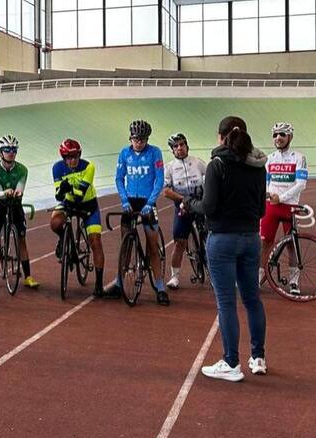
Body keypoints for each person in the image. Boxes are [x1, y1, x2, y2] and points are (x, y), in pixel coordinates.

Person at [183, 116, 268, 382]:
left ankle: (231, 362)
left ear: (221, 137)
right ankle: (258, 357)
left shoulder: (217, 165)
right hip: (251, 237)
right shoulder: (258, 167)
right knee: (252, 299)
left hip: (222, 239)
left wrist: (188, 203)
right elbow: (262, 209)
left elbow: (207, 206)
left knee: (226, 302)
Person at [106, 119, 169, 306]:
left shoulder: (154, 152)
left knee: (152, 245)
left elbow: (159, 180)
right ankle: (119, 283)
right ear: (130, 138)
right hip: (130, 202)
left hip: (147, 201)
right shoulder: (124, 153)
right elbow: (119, 178)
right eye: (135, 139)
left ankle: (160, 287)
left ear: (147, 139)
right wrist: (124, 200)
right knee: (125, 245)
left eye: (142, 139)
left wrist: (151, 202)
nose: (138, 142)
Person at [0, 135, 39, 289]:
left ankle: (28, 276)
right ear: (0, 152)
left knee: (22, 239)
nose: (11, 153)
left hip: (15, 204)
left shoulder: (22, 169)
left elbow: (20, 188)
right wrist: (6, 192)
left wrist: (17, 192)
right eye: (7, 150)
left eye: (14, 150)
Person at [50, 138, 106, 297]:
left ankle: (99, 284)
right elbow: (58, 196)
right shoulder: (57, 168)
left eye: (76, 156)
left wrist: (69, 188)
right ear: (64, 158)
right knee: (55, 223)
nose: (73, 160)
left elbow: (80, 195)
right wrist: (62, 191)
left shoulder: (89, 167)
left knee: (95, 242)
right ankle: (63, 239)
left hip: (88, 205)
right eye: (69, 157)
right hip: (68, 204)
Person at [262, 122, 308, 295]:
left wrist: (281, 198)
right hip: (270, 207)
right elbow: (265, 182)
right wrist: (268, 194)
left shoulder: (299, 157)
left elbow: (301, 184)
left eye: (282, 134)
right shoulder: (270, 158)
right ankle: (261, 276)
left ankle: (294, 281)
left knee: (292, 245)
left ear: (290, 137)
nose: (278, 138)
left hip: (289, 206)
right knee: (265, 243)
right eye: (275, 135)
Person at [162, 132, 206, 289]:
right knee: (180, 242)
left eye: (182, 144)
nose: (180, 148)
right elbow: (166, 191)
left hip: (200, 203)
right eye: (176, 146)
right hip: (182, 205)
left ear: (187, 146)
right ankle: (174, 277)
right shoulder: (169, 168)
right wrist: (182, 199)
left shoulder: (198, 162)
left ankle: (215, 272)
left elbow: (210, 179)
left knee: (210, 238)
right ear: (172, 150)